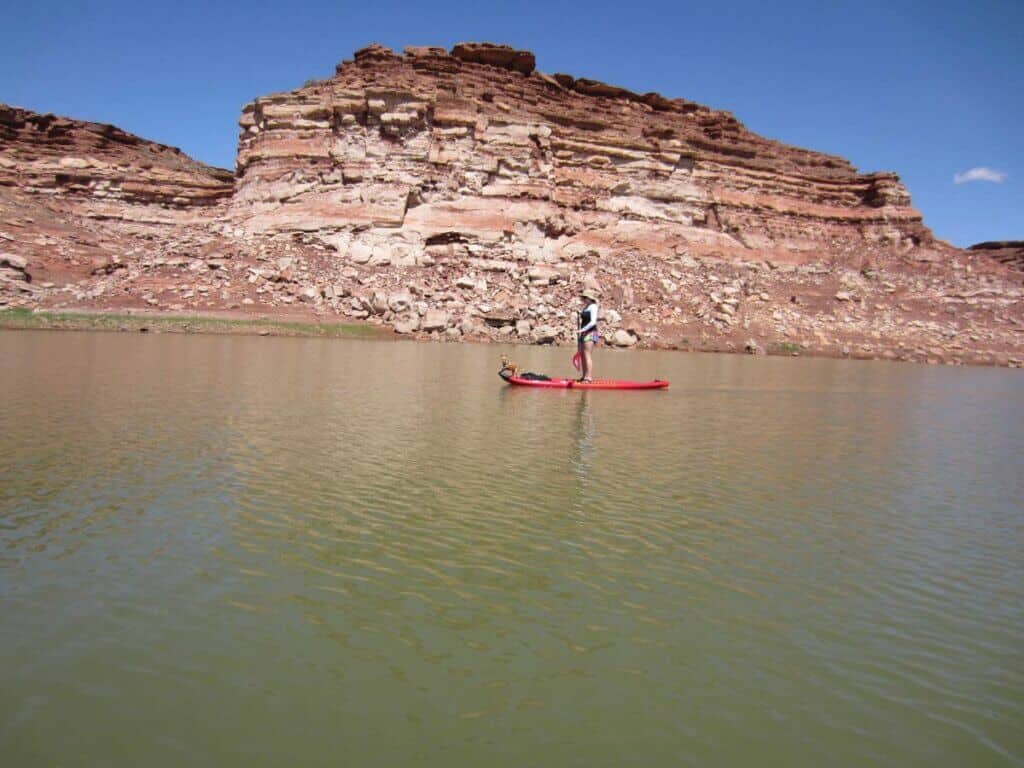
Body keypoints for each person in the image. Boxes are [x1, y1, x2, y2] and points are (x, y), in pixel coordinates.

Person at [576, 289, 600, 383]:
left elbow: (593, 322)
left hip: (591, 333)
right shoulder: (587, 307)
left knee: (587, 354)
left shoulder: (593, 306)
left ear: (590, 298)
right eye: (583, 297)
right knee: (582, 354)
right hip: (584, 333)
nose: (583, 299)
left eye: (585, 298)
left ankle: (588, 378)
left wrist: (582, 330)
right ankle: (584, 376)